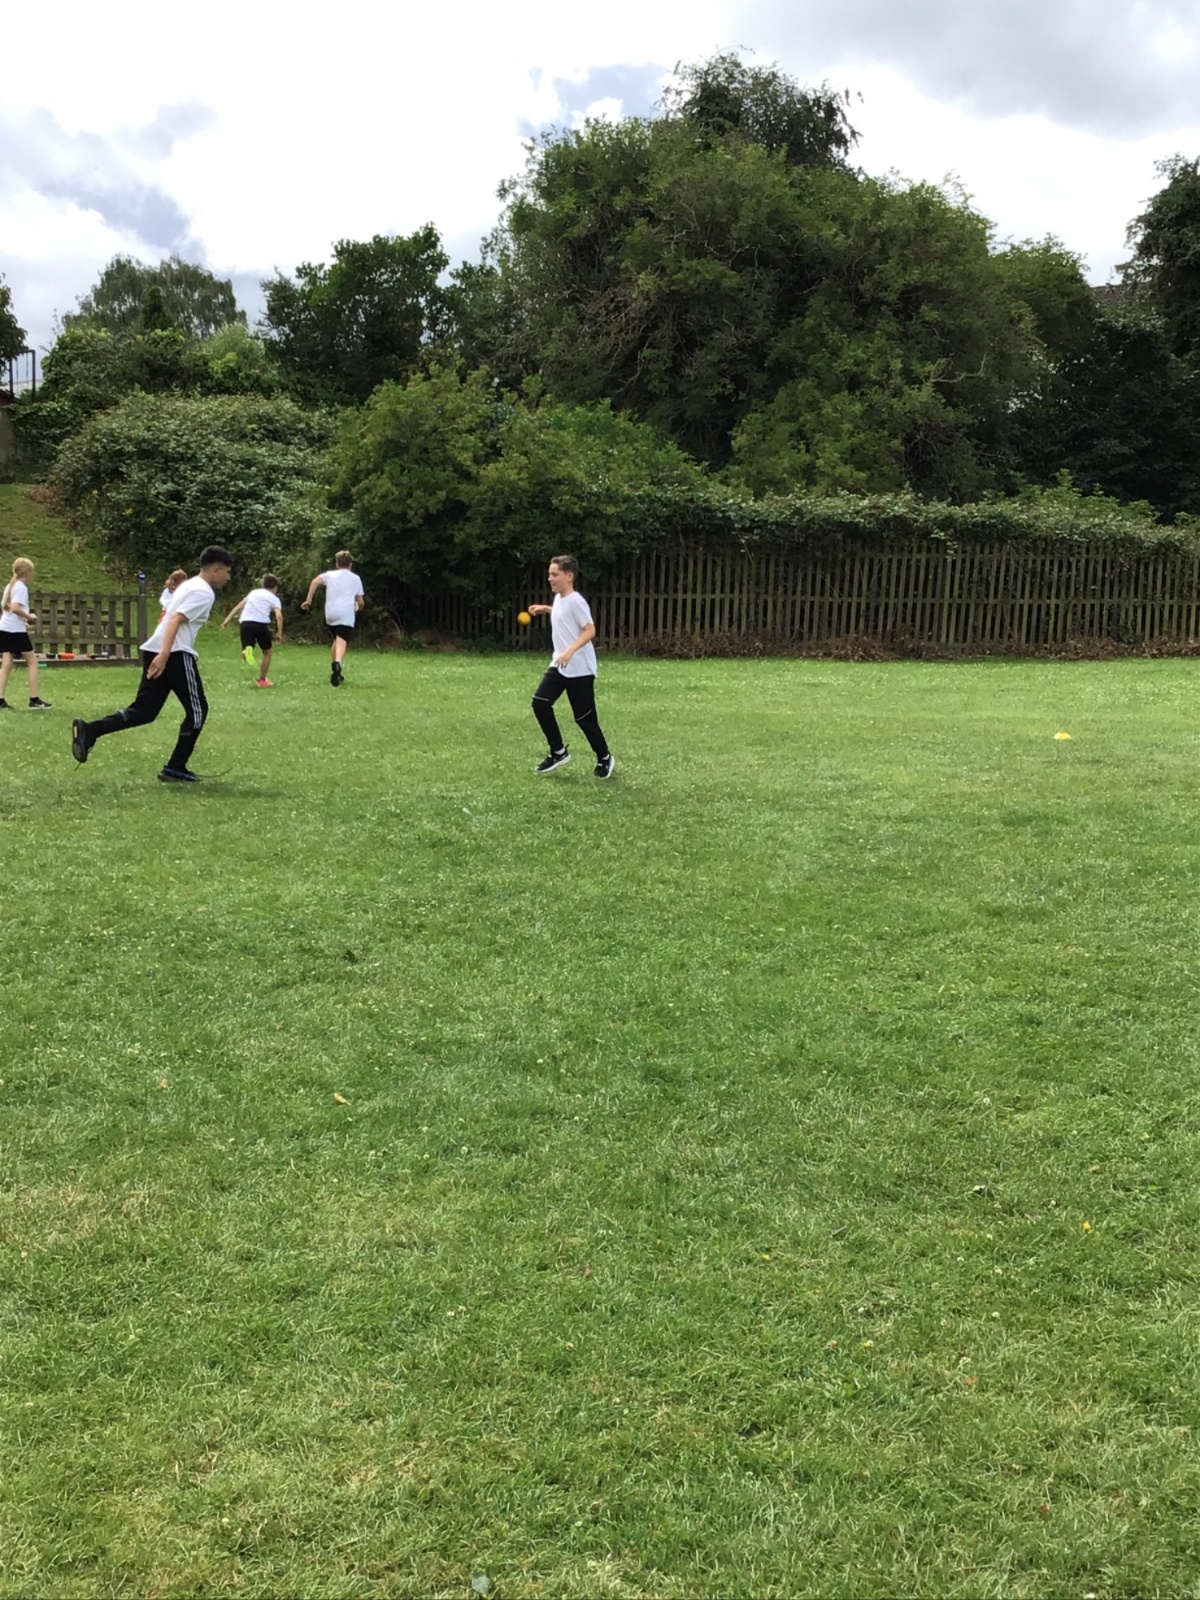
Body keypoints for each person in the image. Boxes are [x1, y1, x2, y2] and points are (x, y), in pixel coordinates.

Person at [70, 545, 233, 783]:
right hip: (174, 653)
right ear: (216, 570)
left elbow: (167, 613)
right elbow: (175, 620)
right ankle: (176, 767)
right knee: (198, 711)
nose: (228, 578)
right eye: (227, 572)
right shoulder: (204, 592)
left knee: (144, 711)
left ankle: (91, 730)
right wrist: (166, 654)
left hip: (155, 649)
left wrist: (161, 651)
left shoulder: (189, 585)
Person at [527, 554, 614, 778]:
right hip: (559, 664)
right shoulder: (560, 598)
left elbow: (590, 630)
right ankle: (558, 752)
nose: (550, 578)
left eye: (554, 574)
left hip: (580, 669)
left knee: (585, 719)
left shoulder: (576, 601)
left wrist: (570, 650)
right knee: (540, 703)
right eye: (549, 574)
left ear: (569, 576)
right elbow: (564, 614)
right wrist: (546, 609)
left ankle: (605, 757)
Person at [302, 551, 363, 687]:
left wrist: (308, 600)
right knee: (342, 640)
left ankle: (336, 671)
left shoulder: (329, 575)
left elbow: (315, 582)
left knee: (336, 639)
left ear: (337, 564)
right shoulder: (356, 579)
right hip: (346, 613)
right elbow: (360, 600)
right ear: (350, 564)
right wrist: (359, 606)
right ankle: (337, 663)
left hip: (330, 613)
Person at [0, 558, 52, 710]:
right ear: (27, 572)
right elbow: (15, 607)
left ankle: (0, 699)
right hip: (15, 631)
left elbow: (5, 607)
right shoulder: (21, 587)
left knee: (6, 663)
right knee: (32, 662)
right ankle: (34, 700)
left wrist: (22, 620)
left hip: (4, 628)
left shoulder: (10, 586)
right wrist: (29, 617)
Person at [221, 573, 283, 687]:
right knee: (267, 652)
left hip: (245, 623)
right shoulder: (274, 598)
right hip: (261, 624)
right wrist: (279, 632)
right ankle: (262, 680)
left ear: (263, 585)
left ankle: (247, 650)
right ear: (275, 588)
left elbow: (239, 606)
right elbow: (279, 616)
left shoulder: (254, 593)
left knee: (247, 647)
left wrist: (226, 620)